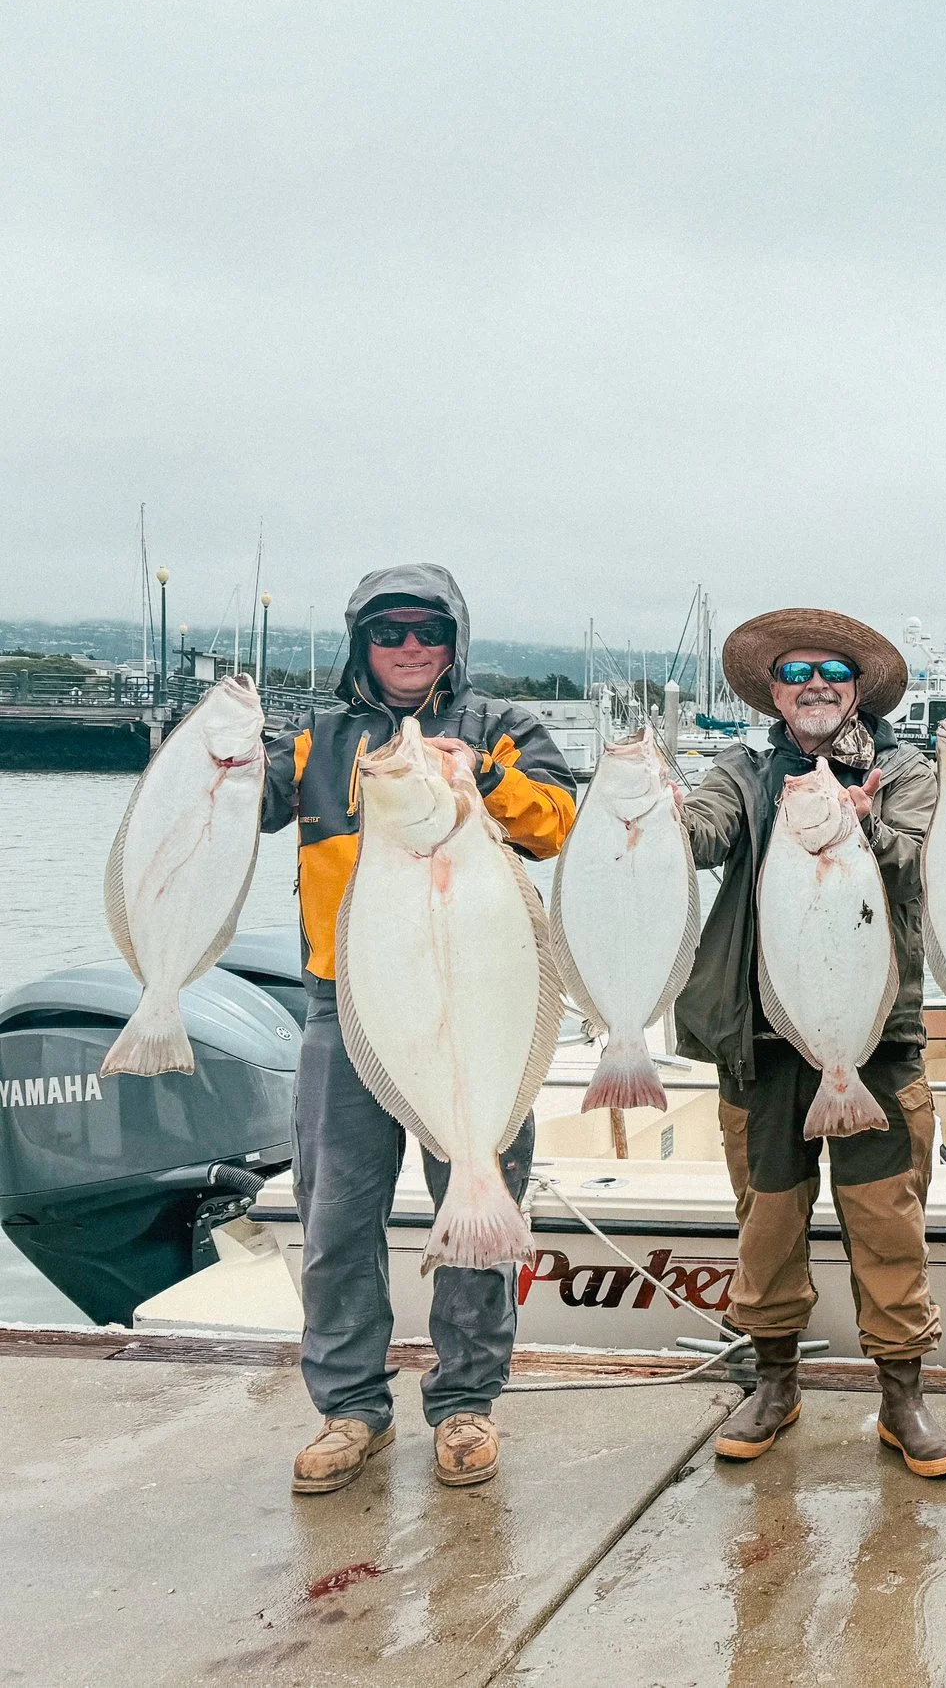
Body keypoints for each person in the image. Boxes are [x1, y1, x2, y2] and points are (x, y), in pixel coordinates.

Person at [269, 565, 580, 1495]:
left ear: (455, 641)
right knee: (333, 1218)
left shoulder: (502, 728)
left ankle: (466, 1405)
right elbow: (222, 810)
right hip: (345, 1001)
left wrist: (480, 773)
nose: (410, 649)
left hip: (480, 1001)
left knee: (480, 1210)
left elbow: (557, 822)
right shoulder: (314, 740)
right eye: (388, 633)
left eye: (428, 631)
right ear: (359, 645)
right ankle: (349, 1409)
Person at [673, 607, 946, 1479]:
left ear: (859, 688)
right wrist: (648, 809)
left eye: (833, 671)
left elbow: (922, 861)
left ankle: (902, 1395)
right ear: (772, 690)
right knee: (766, 1226)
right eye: (796, 673)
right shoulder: (743, 772)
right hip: (761, 1048)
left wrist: (864, 824)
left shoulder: (907, 775)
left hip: (873, 1043)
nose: (815, 686)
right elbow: (701, 834)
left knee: (887, 1224)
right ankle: (774, 1379)